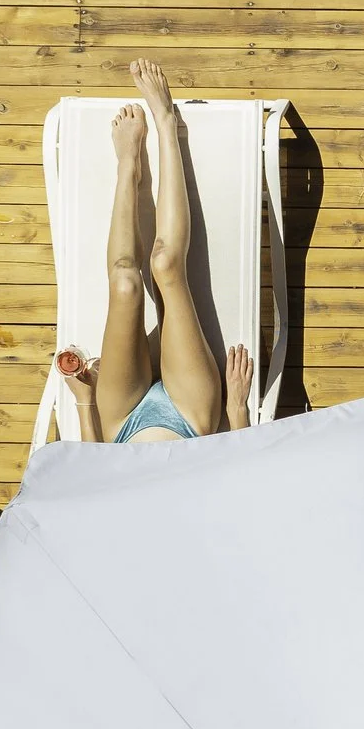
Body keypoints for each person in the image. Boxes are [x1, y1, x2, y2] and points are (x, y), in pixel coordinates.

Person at [55, 59, 254, 442]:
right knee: (165, 265)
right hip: (189, 418)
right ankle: (165, 122)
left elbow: (91, 471)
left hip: (120, 424)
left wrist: (84, 399)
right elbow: (239, 472)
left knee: (126, 283)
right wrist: (237, 411)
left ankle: (129, 165)